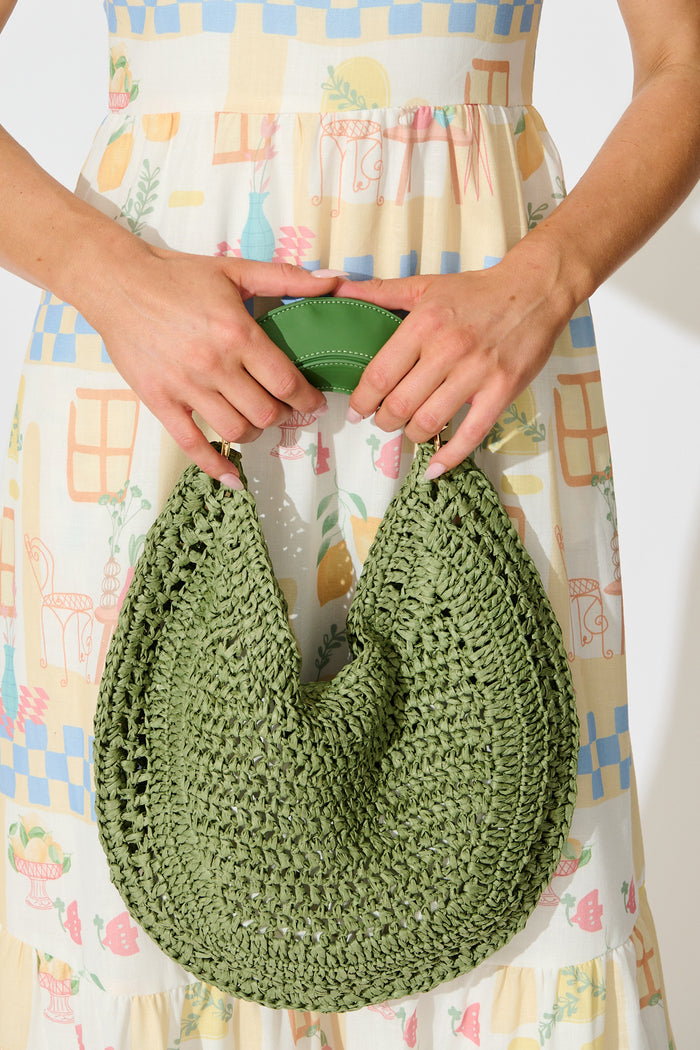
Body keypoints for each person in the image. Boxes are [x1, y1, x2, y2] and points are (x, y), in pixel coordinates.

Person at [0, 0, 698, 1044]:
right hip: (162, 377)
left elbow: (683, 58)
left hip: (477, 366)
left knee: (520, 856)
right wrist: (111, 282)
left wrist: (543, 280)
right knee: (142, 881)